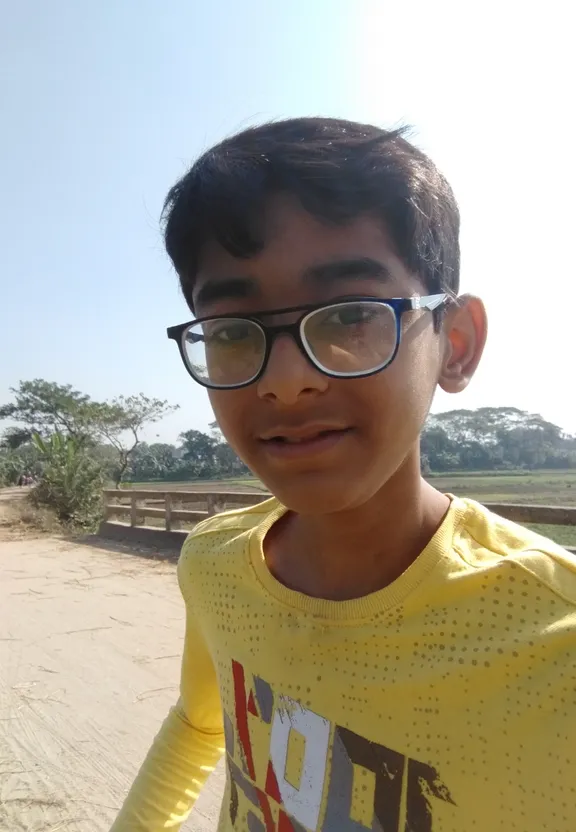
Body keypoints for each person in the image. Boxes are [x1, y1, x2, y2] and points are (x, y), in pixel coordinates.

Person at [111, 119, 576, 832]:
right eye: (235, 331)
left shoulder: (555, 646)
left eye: (351, 316)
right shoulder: (213, 564)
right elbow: (200, 725)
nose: (288, 382)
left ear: (455, 343)